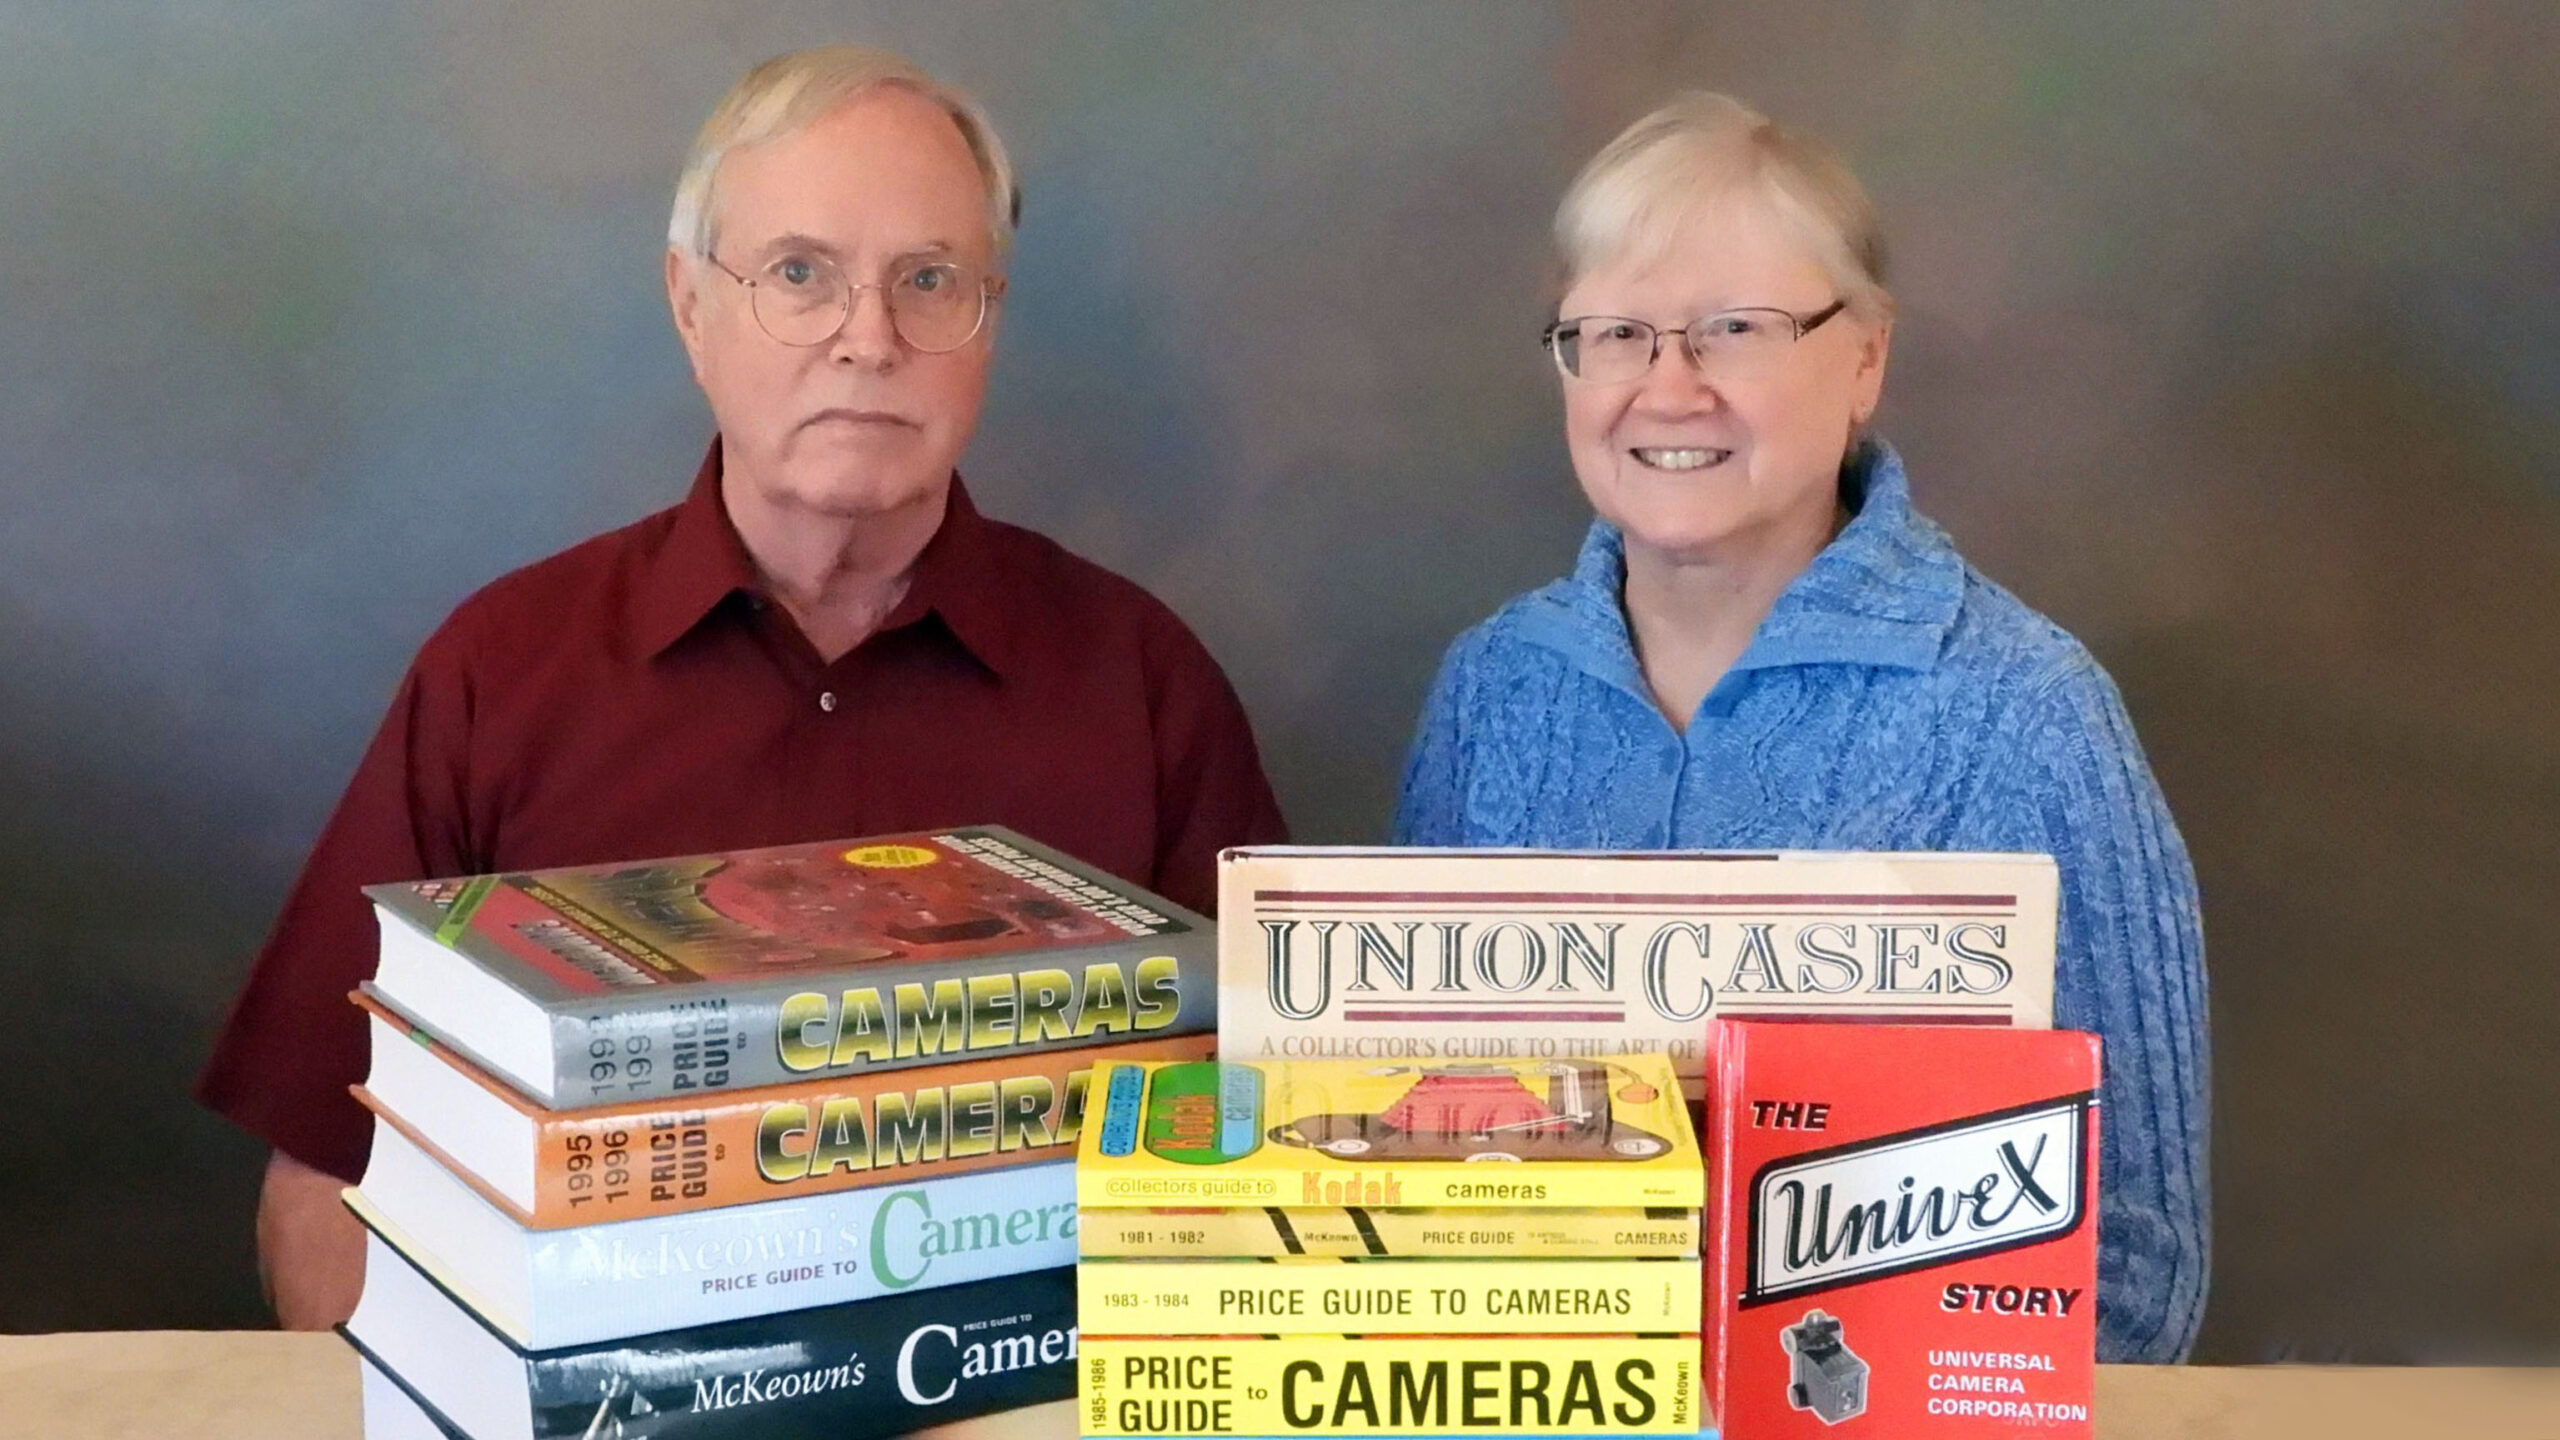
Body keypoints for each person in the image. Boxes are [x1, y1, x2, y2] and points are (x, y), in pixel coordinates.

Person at [198, 45, 1287, 1330]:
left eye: (928, 280)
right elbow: (331, 1173)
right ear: (689, 307)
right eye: (798, 275)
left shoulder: (1143, 684)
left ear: (990, 318)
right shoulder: (501, 672)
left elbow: (1267, 1153)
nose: (867, 340)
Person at [1393, 93, 2208, 1362]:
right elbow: (1393, 1137)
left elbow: (2130, 1265)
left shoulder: (2025, 716)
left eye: (1734, 330)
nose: (1669, 388)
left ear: (1866, 355)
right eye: (1613, 333)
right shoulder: (1491, 693)